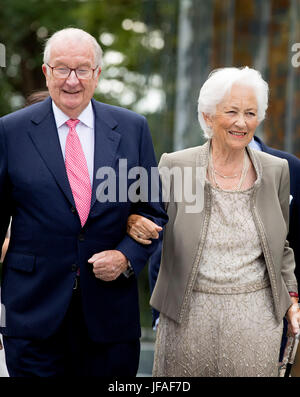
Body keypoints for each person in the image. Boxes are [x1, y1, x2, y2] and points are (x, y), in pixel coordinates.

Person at [0, 27, 167, 377]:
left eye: (82, 69)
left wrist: (125, 256)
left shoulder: (133, 128)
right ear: (46, 72)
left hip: (109, 323)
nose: (72, 80)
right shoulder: (9, 132)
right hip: (32, 316)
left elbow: (152, 210)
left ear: (98, 74)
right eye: (62, 68)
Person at [126, 66, 300, 377]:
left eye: (250, 112)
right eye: (231, 111)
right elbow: (145, 215)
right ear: (208, 116)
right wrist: (133, 221)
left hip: (256, 319)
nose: (241, 122)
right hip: (186, 316)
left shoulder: (277, 170)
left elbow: (282, 246)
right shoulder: (175, 166)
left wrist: (291, 298)